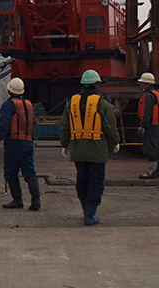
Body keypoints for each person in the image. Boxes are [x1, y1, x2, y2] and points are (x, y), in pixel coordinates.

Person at [60, 69, 120, 226]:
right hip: (97, 151)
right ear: (97, 85)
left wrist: (65, 144)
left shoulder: (71, 103)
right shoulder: (102, 103)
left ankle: (85, 209)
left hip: (78, 150)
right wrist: (115, 142)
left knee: (82, 180)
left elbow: (65, 126)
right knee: (95, 182)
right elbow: (109, 126)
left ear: (82, 86)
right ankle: (90, 213)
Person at [0, 77, 41, 210]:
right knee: (29, 171)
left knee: (11, 172)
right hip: (28, 143)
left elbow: (4, 124)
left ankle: (17, 200)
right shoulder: (28, 105)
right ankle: (36, 200)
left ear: (9, 90)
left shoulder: (8, 105)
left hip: (14, 143)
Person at [137, 72, 159, 179]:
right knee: (156, 147)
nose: (140, 85)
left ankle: (152, 171)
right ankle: (156, 171)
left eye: (142, 83)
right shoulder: (156, 94)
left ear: (147, 84)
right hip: (156, 125)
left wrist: (143, 126)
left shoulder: (148, 96)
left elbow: (147, 114)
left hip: (151, 126)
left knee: (150, 148)